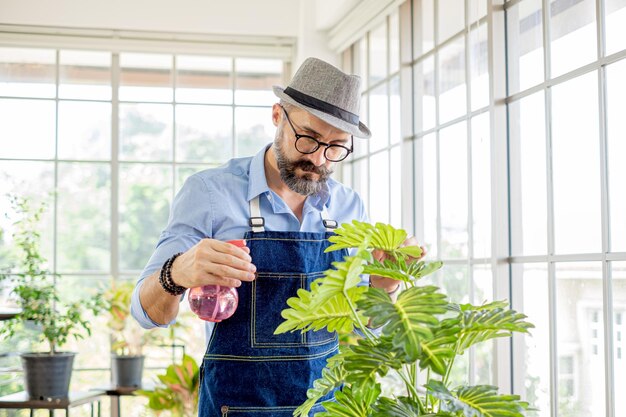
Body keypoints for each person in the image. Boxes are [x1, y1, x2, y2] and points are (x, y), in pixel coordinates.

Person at [131, 57, 420, 416]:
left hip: (326, 407)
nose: (318, 159)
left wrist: (384, 286)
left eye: (336, 147)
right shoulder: (209, 193)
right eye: (308, 138)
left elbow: (364, 327)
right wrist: (175, 273)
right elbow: (146, 313)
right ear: (277, 115)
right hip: (235, 408)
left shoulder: (348, 206)